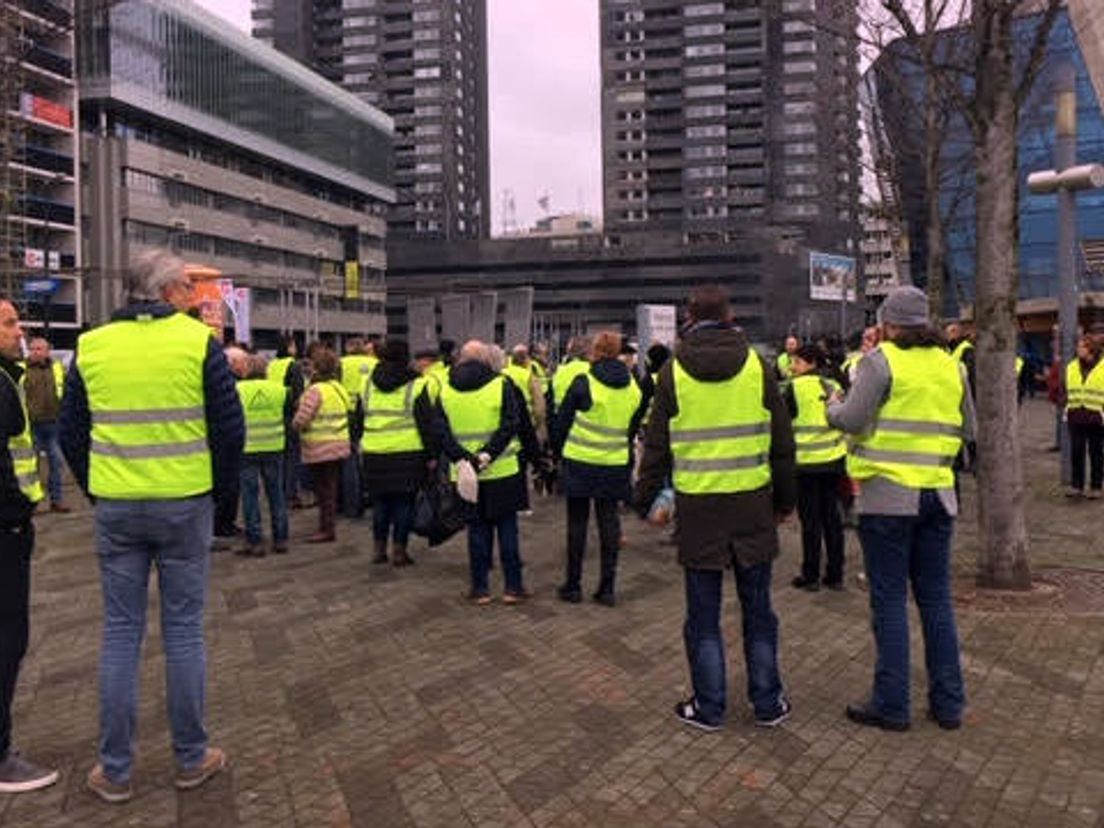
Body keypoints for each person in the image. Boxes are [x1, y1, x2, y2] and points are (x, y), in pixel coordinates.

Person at [58, 251, 243, 801]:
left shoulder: (91, 346)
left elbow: (72, 432)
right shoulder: (197, 344)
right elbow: (229, 431)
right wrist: (219, 496)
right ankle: (191, 758)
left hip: (116, 503)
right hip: (184, 502)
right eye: (188, 285)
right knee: (183, 632)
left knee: (120, 634)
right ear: (165, 293)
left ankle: (114, 770)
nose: (194, 294)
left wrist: (98, 488)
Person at [634, 284, 796, 731]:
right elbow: (783, 444)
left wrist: (645, 499)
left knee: (703, 616)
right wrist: (786, 501)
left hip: (699, 509)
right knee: (758, 610)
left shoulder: (672, 373)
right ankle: (767, 702)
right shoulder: (759, 367)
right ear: (729, 315)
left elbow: (656, 447)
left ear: (689, 316)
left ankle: (709, 706)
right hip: (752, 505)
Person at [827, 286, 973, 732]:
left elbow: (852, 419)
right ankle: (948, 704)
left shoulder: (880, 361)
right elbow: (968, 428)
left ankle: (892, 704)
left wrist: (832, 407)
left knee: (889, 601)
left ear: (889, 323)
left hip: (887, 498)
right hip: (937, 495)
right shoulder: (953, 367)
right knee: (936, 601)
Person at [0, 298, 58, 794]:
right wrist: (17, 513)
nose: (19, 332)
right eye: (9, 323)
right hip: (4, 531)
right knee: (7, 640)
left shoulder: (9, 378)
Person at [435, 340, 533, 605]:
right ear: (486, 360)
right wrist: (487, 454)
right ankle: (513, 587)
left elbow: (440, 431)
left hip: (466, 475)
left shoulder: (445, 389)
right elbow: (512, 423)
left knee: (477, 530)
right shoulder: (501, 385)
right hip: (502, 471)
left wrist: (462, 457)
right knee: (507, 528)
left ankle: (480, 589)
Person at [552, 331, 645, 607]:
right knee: (609, 524)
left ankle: (573, 585)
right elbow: (630, 430)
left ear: (595, 351)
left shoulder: (584, 382)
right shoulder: (633, 388)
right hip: (614, 464)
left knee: (577, 524)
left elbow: (562, 423)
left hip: (579, 462)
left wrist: (558, 453)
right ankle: (607, 589)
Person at [360, 339, 436, 566]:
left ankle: (378, 549)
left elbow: (358, 417)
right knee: (404, 503)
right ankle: (399, 551)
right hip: (407, 453)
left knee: (380, 502)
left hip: (374, 451)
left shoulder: (367, 383)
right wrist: (432, 455)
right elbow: (426, 423)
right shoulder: (417, 384)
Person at [784, 345, 846, 592]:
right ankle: (835, 574)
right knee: (832, 518)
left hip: (806, 465)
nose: (792, 367)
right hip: (834, 462)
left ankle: (811, 576)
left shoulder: (793, 388)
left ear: (810, 363)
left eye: (796, 362)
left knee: (811, 523)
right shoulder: (835, 387)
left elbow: (782, 423)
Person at [292, 347, 351, 543]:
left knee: (323, 490)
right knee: (331, 488)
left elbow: (302, 419)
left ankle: (326, 528)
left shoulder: (315, 391)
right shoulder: (338, 388)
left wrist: (295, 425)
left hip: (319, 447)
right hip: (339, 445)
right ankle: (329, 525)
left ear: (317, 368)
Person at [236, 354, 290, 556]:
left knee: (250, 497)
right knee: (276, 494)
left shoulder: (238, 390)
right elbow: (288, 414)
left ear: (247, 369)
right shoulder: (280, 390)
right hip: (274, 447)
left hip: (247, 449)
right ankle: (281, 539)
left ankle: (255, 541)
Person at [22, 336, 70, 513]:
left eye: (39, 349)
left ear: (47, 350)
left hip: (53, 424)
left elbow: (64, 391)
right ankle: (30, 503)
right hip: (31, 425)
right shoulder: (22, 369)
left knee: (56, 463)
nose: (35, 352)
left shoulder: (56, 368)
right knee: (30, 466)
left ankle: (56, 501)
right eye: (33, 349)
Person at [268, 334, 306, 507]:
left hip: (274, 415)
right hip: (289, 415)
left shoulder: (272, 365)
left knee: (279, 457)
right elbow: (299, 394)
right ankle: (291, 494)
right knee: (293, 456)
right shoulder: (294, 365)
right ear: (290, 347)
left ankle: (279, 492)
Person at [1064, 335, 1104, 499]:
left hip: (1097, 415)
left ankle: (1096, 487)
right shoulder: (1071, 366)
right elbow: (1066, 388)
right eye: (1078, 346)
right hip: (1076, 415)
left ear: (1091, 349)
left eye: (1082, 346)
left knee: (1096, 453)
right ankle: (1077, 486)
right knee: (1076, 451)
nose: (1078, 349)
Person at [551, 335, 592, 417]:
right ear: (587, 352)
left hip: (558, 416)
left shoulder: (560, 369)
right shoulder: (589, 369)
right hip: (577, 420)